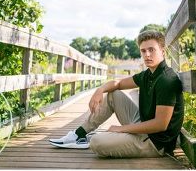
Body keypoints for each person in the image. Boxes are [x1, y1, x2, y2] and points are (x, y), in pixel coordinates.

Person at [49, 30, 184, 158]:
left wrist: (121, 129)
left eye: (151, 50)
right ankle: (79, 134)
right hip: (144, 125)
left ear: (163, 52)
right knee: (113, 94)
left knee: (96, 142)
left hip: (156, 142)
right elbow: (118, 83)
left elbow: (160, 124)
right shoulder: (148, 75)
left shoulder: (167, 80)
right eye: (143, 51)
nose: (147, 55)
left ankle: (103, 137)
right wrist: (99, 90)